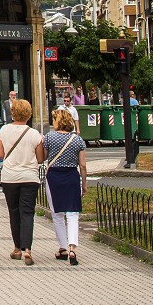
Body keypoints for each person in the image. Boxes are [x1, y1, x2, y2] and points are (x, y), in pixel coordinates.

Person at [0, 97, 45, 265]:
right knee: (27, 213)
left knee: (14, 212)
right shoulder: (34, 134)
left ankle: (17, 248)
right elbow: (40, 159)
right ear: (28, 114)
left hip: (10, 177)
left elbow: (0, 155)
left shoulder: (3, 131)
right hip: (30, 178)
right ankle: (28, 249)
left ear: (13, 113)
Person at [43, 107, 88, 265]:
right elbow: (82, 165)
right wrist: (84, 183)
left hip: (54, 176)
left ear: (57, 122)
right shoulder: (77, 140)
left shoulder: (49, 137)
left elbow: (43, 157)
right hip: (71, 176)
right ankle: (72, 248)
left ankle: (62, 247)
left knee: (57, 214)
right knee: (73, 213)